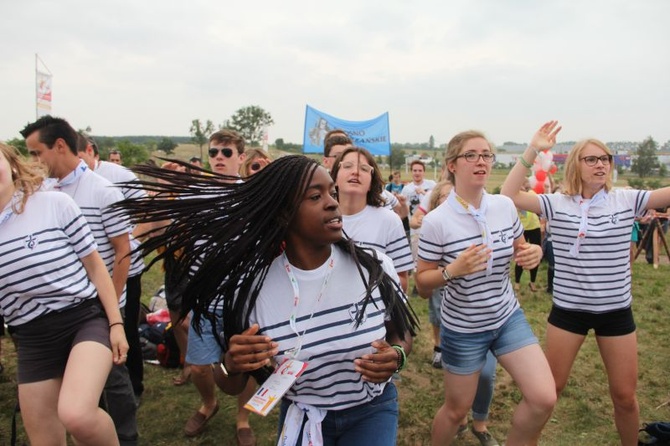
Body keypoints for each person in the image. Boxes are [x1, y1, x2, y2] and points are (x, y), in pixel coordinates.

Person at [117, 155, 418, 445]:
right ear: (283, 213)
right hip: (303, 414)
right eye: (315, 197)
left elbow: (401, 331)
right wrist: (232, 363)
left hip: (372, 410)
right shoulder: (252, 289)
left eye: (331, 192)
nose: (333, 203)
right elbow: (232, 384)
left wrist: (397, 356)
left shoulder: (374, 267)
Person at [501, 121, 670, 446]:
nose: (601, 164)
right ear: (576, 164)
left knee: (624, 396)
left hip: (616, 313)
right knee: (549, 392)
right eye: (591, 159)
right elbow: (507, 194)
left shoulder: (627, 200)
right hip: (568, 314)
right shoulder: (557, 203)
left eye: (605, 158)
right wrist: (533, 148)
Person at [416, 130, 556, 446]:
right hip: (463, 329)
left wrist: (530, 254)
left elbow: (521, 247)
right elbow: (422, 284)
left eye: (486, 155)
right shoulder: (437, 221)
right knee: (456, 410)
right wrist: (452, 271)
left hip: (507, 318)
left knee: (543, 398)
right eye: (471, 155)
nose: (481, 161)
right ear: (452, 164)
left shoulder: (504, 206)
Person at [0, 142, 129, 446]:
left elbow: (97, 268)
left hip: (82, 320)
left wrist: (116, 323)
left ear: (9, 160)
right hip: (31, 337)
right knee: (45, 441)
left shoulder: (54, 203)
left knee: (77, 415)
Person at [77, 133, 148, 403]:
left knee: (126, 328)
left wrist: (129, 241)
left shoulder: (118, 176)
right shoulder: (65, 184)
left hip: (125, 270)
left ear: (89, 150)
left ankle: (134, 386)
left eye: (79, 155)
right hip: (90, 278)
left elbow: (149, 212)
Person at [331, 146, 413, 292]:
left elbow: (402, 281)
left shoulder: (390, 221)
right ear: (335, 178)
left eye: (364, 168)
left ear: (371, 182)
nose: (355, 172)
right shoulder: (319, 218)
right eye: (348, 166)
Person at [513, 179, 542, 293]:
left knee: (534, 256)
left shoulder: (531, 195)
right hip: (522, 229)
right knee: (521, 256)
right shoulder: (512, 200)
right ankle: (517, 282)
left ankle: (532, 282)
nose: (521, 189)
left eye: (522, 187)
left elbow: (539, 207)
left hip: (534, 227)